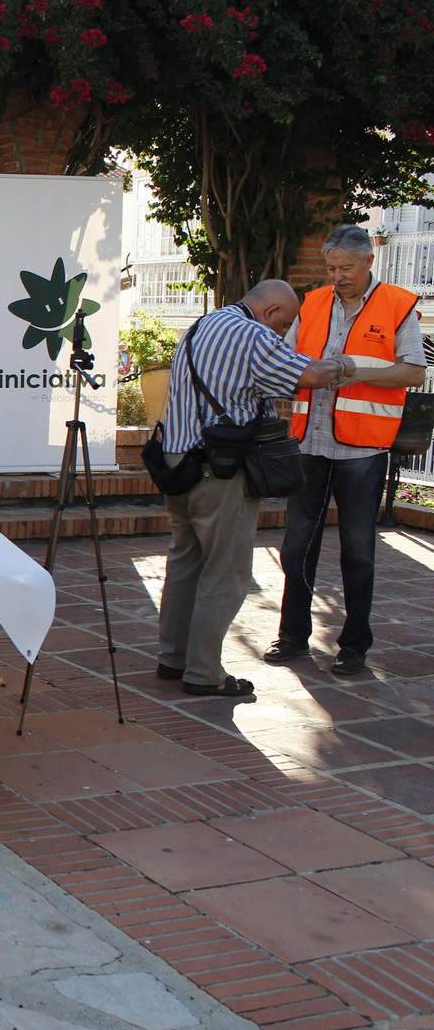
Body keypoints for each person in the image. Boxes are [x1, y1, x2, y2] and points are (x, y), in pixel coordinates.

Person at [156, 280, 346, 697]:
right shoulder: (255, 335)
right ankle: (204, 673)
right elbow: (309, 374)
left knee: (186, 561)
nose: (284, 333)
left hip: (177, 462)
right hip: (220, 472)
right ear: (272, 311)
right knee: (225, 573)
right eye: (285, 324)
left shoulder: (202, 324)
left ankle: (173, 658)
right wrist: (342, 366)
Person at [266, 225, 429, 676]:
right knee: (297, 545)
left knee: (358, 548)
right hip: (309, 443)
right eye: (331, 268)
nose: (338, 276)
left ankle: (354, 644)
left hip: (362, 450)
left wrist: (355, 370)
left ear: (368, 261)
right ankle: (293, 636)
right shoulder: (314, 303)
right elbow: (286, 358)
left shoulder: (398, 306)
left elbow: (413, 372)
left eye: (346, 268)